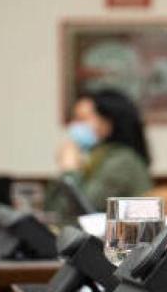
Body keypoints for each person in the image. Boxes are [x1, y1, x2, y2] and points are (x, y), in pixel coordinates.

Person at [49, 89, 153, 217]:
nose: (74, 125)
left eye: (82, 119)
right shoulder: (95, 157)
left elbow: (83, 213)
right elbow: (52, 210)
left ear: (108, 122)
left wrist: (70, 171)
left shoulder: (123, 161)